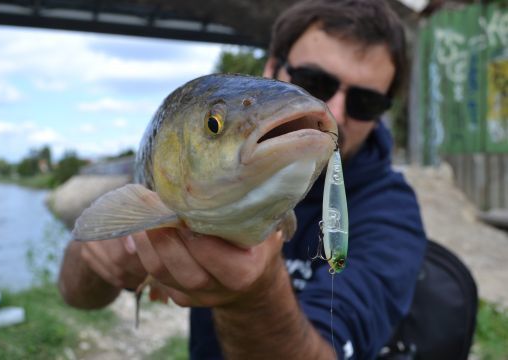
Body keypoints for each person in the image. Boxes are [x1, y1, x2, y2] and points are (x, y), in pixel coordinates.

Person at [58, 0, 427, 359]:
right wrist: (102, 256)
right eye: (314, 81)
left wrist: (256, 297)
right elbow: (76, 297)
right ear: (272, 67)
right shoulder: (150, 186)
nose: (336, 110)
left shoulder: (393, 217)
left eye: (366, 102)